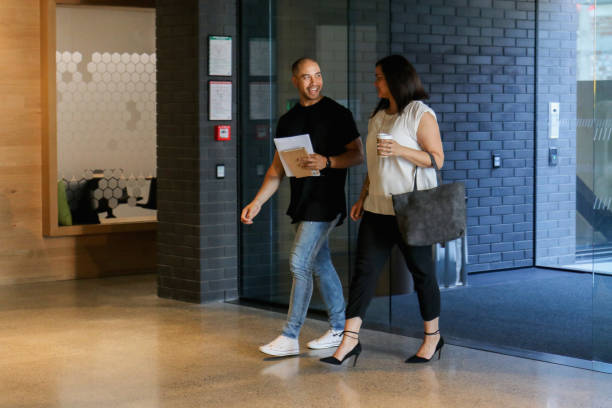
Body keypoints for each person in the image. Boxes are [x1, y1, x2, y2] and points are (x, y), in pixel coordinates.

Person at [321, 55, 444, 366]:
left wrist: (401, 149)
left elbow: (437, 159)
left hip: (410, 209)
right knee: (364, 274)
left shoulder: (420, 113)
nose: (375, 82)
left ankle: (433, 338)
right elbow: (375, 164)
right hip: (377, 208)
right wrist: (363, 195)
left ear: (396, 79)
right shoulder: (378, 116)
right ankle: (350, 341)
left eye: (379, 77)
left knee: (422, 275)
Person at [241, 57, 363, 356]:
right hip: (303, 203)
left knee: (298, 262)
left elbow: (358, 155)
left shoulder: (338, 114)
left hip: (326, 203)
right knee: (320, 263)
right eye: (307, 77)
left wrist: (328, 161)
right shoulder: (287, 121)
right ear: (295, 80)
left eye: (318, 75)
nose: (314, 82)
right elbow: (276, 170)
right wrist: (256, 202)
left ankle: (290, 335)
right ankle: (339, 329)